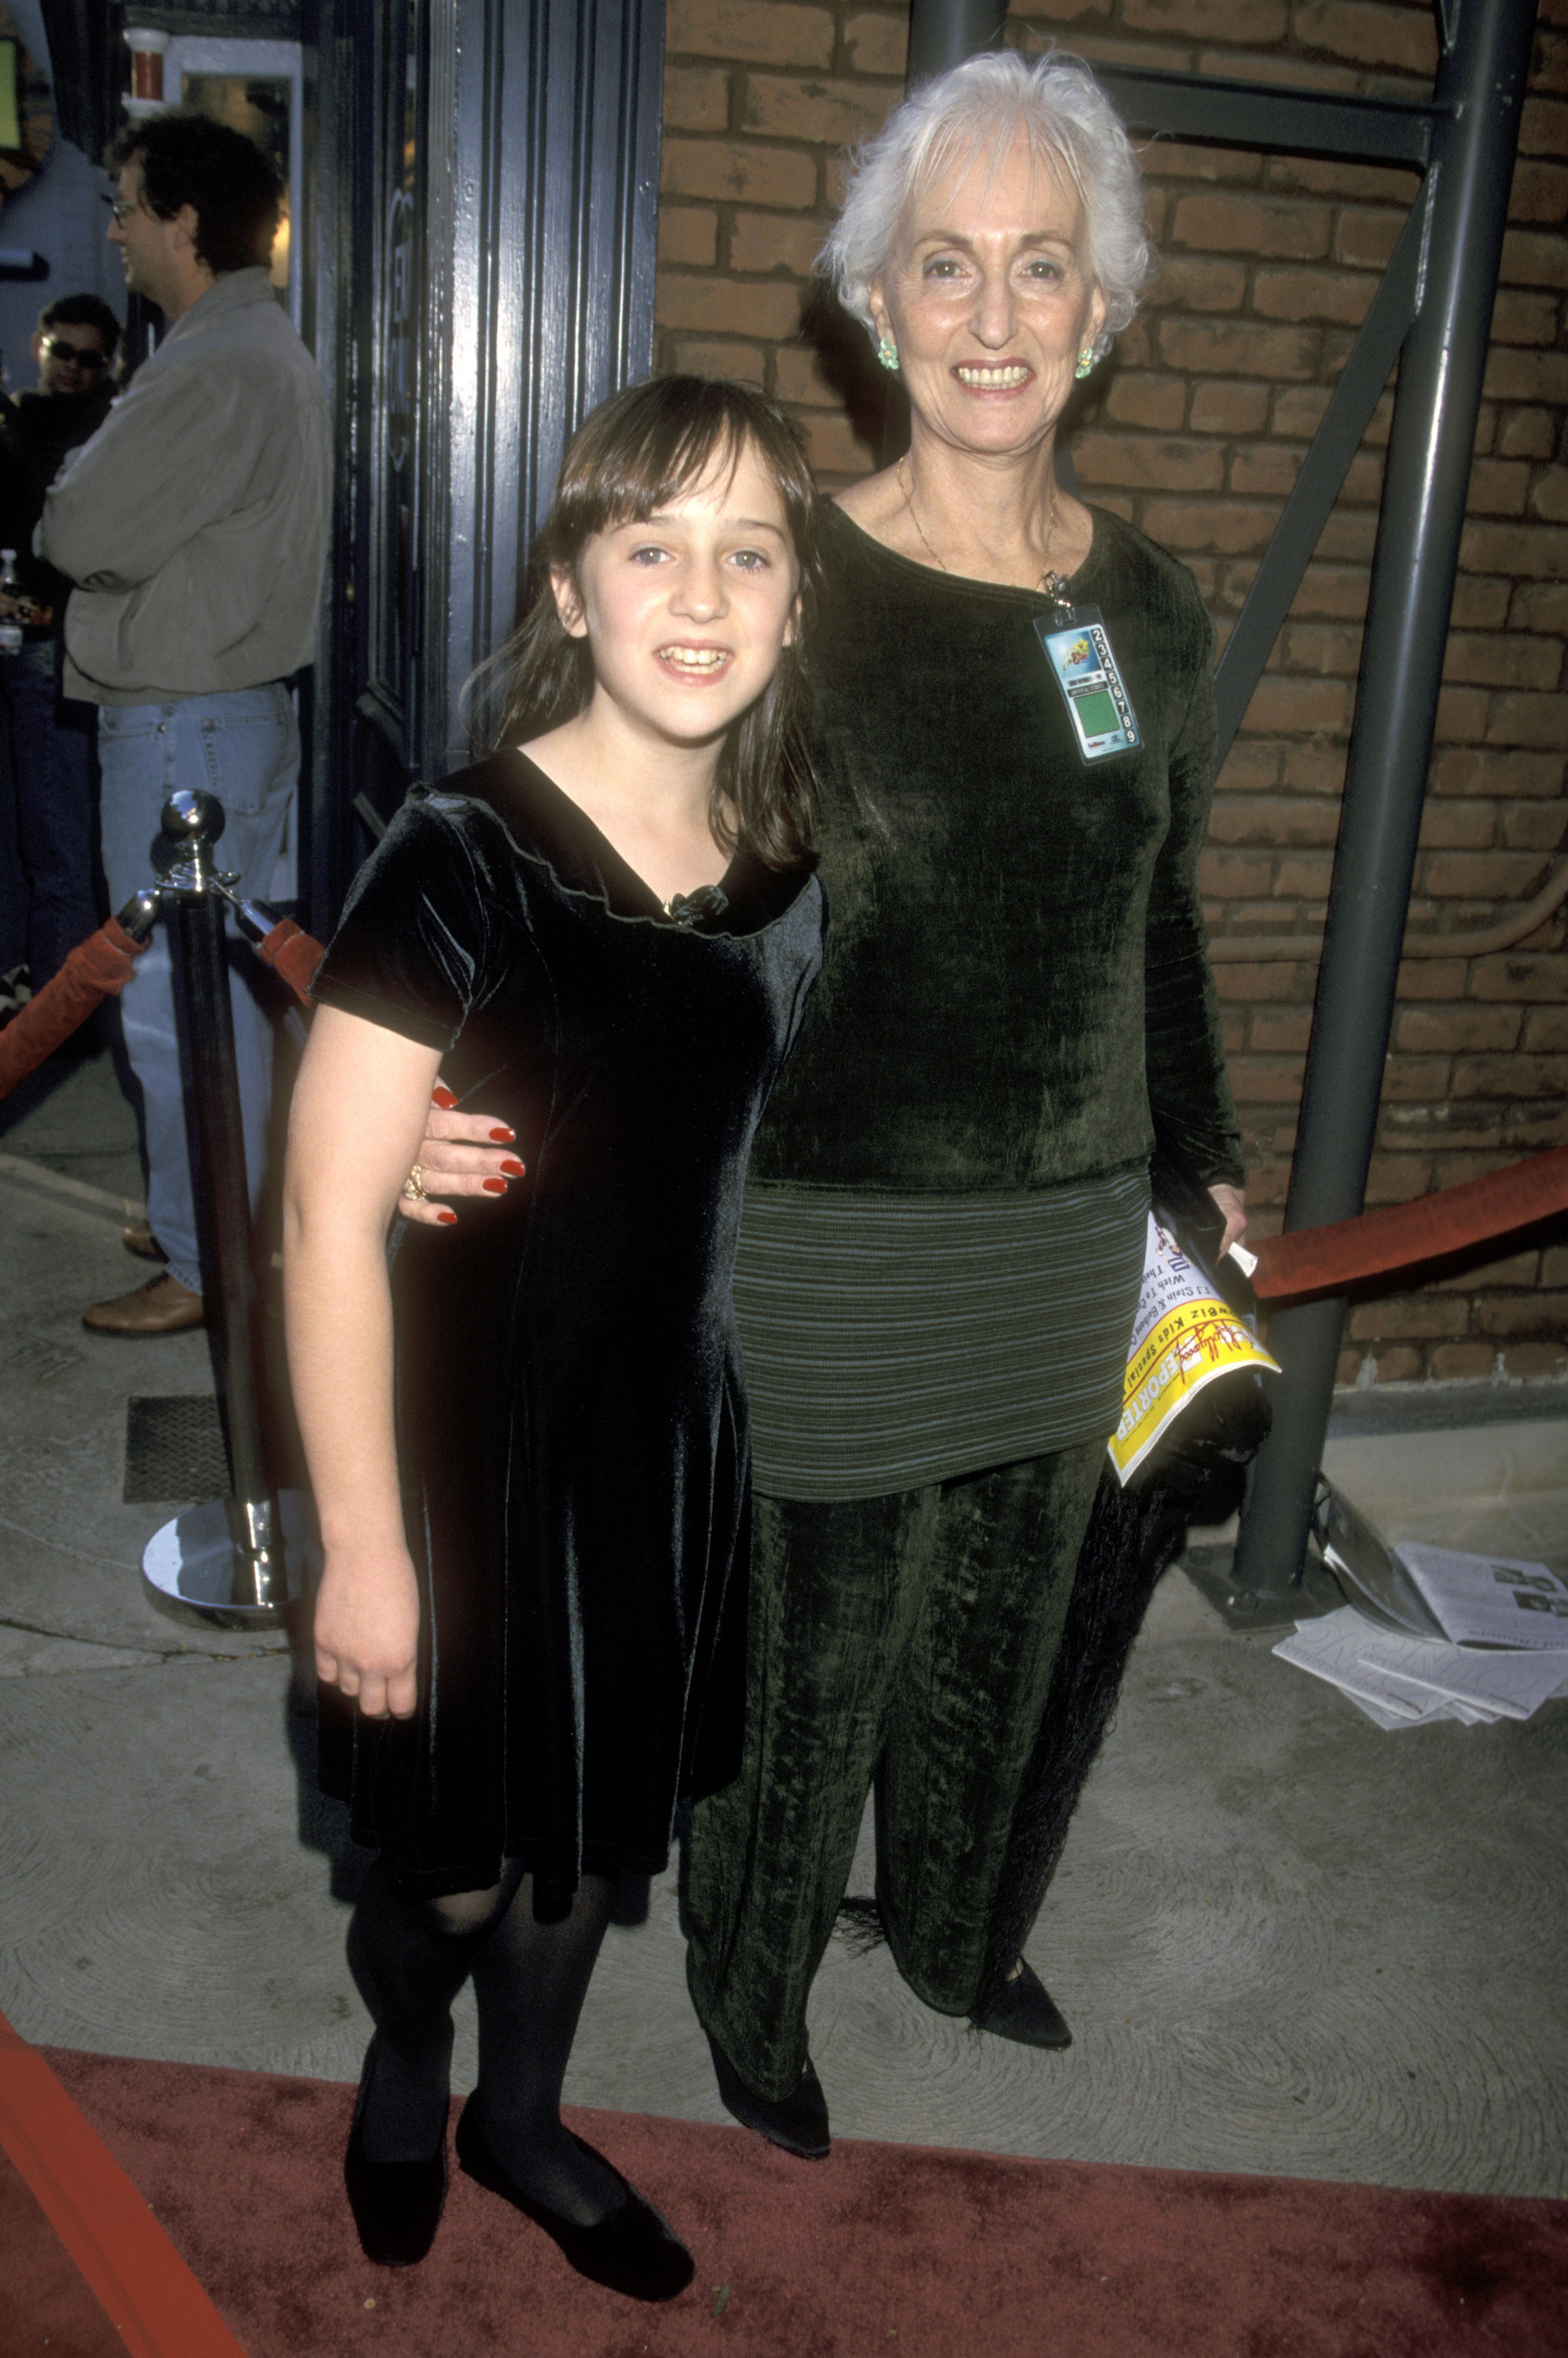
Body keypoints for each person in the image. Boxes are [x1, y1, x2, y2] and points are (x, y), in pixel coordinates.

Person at [400, 50, 1247, 2158]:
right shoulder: (789, 573)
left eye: (1036, 267)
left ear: (1100, 312)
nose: (987, 310)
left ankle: (958, 1935)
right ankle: (754, 2003)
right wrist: (445, 1072)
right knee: (809, 1679)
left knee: (1006, 1630)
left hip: (1060, 1238)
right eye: (940, 263)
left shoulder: (1144, 602)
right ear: (870, 305)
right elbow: (615, 832)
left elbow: (1161, 900)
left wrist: (1197, 1147)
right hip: (835, 1232)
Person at [283, 377, 825, 2291]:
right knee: (438, 1873)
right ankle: (411, 2042)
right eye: (651, 543)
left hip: (659, 1450)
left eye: (748, 550)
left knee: (588, 1849)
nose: (701, 590)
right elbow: (324, 1219)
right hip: (452, 1456)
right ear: (572, 585)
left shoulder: (798, 871)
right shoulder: (464, 847)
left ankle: (523, 2117)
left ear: (791, 598)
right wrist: (361, 1546)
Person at [39, 112, 329, 1335]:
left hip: (179, 734)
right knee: (234, 1005)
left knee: (171, 1009)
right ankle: (208, 1223)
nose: (113, 231)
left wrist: (69, 494)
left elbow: (76, 530)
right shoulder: (257, 347)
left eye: (126, 206)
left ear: (185, 224)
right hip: (232, 722)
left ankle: (207, 1269)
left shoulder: (211, 364)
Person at [0, 295, 120, 1013]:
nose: (73, 368)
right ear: (40, 344)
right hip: (20, 646)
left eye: (90, 358)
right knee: (26, 837)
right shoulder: (14, 419)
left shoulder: (106, 433)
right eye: (63, 352)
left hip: (60, 655)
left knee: (57, 841)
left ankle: (56, 1009)